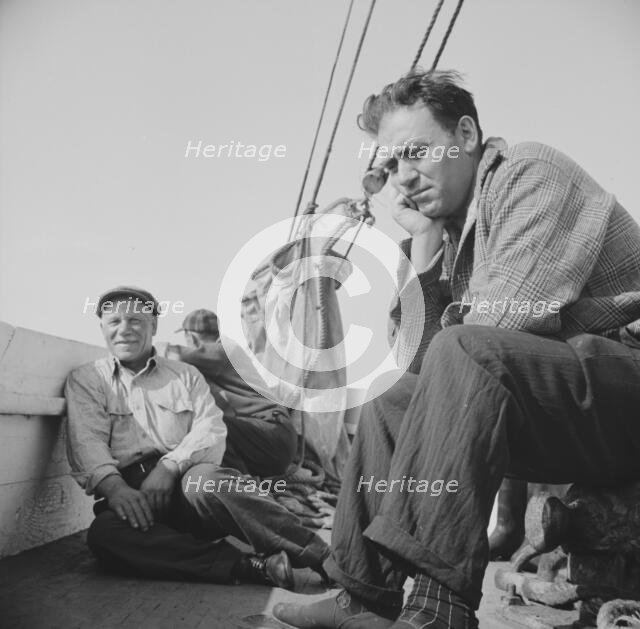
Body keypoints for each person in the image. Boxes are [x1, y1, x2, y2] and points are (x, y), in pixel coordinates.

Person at [273, 70, 640, 628]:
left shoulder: (531, 173)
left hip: (623, 393)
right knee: (393, 398)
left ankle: (438, 606)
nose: (403, 177)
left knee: (466, 348)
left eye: (415, 151)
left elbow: (500, 327)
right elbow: (421, 377)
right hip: (566, 412)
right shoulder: (452, 234)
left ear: (465, 134)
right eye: (391, 165)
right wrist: (422, 245)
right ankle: (362, 595)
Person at [65, 286, 329, 590]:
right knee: (105, 535)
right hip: (132, 495)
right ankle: (253, 567)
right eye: (114, 322)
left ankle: (323, 557)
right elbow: (87, 441)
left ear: (153, 326)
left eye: (136, 320)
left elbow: (211, 427)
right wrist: (116, 490)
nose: (124, 330)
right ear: (102, 328)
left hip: (188, 484)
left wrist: (169, 467)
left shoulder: (186, 374)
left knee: (209, 481)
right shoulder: (87, 379)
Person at [163, 308, 298, 478]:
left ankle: (237, 481)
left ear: (191, 337)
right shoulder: (225, 353)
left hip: (271, 436)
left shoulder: (223, 351)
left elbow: (173, 356)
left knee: (205, 426)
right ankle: (242, 477)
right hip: (269, 438)